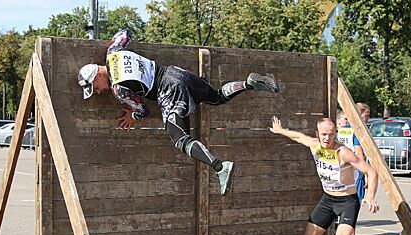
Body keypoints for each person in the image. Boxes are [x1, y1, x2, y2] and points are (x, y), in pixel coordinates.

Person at [77, 28, 283, 195]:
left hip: (168, 90)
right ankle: (249, 83)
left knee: (181, 140)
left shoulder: (118, 89)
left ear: (97, 75)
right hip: (176, 72)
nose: (96, 91)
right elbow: (125, 33)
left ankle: (221, 168)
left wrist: (133, 115)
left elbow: (144, 110)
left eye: (94, 86)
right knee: (218, 96)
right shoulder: (113, 52)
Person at [270, 116, 379, 235]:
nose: (327, 138)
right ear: (317, 134)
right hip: (328, 199)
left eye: (331, 134)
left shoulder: (343, 152)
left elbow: (371, 171)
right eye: (324, 134)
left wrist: (370, 195)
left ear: (335, 133)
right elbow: (298, 137)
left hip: (347, 201)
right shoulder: (315, 145)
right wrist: (280, 130)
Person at [335, 110, 370, 235]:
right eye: (366, 115)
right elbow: (359, 154)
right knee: (353, 206)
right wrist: (367, 173)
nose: (367, 118)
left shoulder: (338, 133)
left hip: (340, 173)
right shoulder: (355, 132)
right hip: (355, 174)